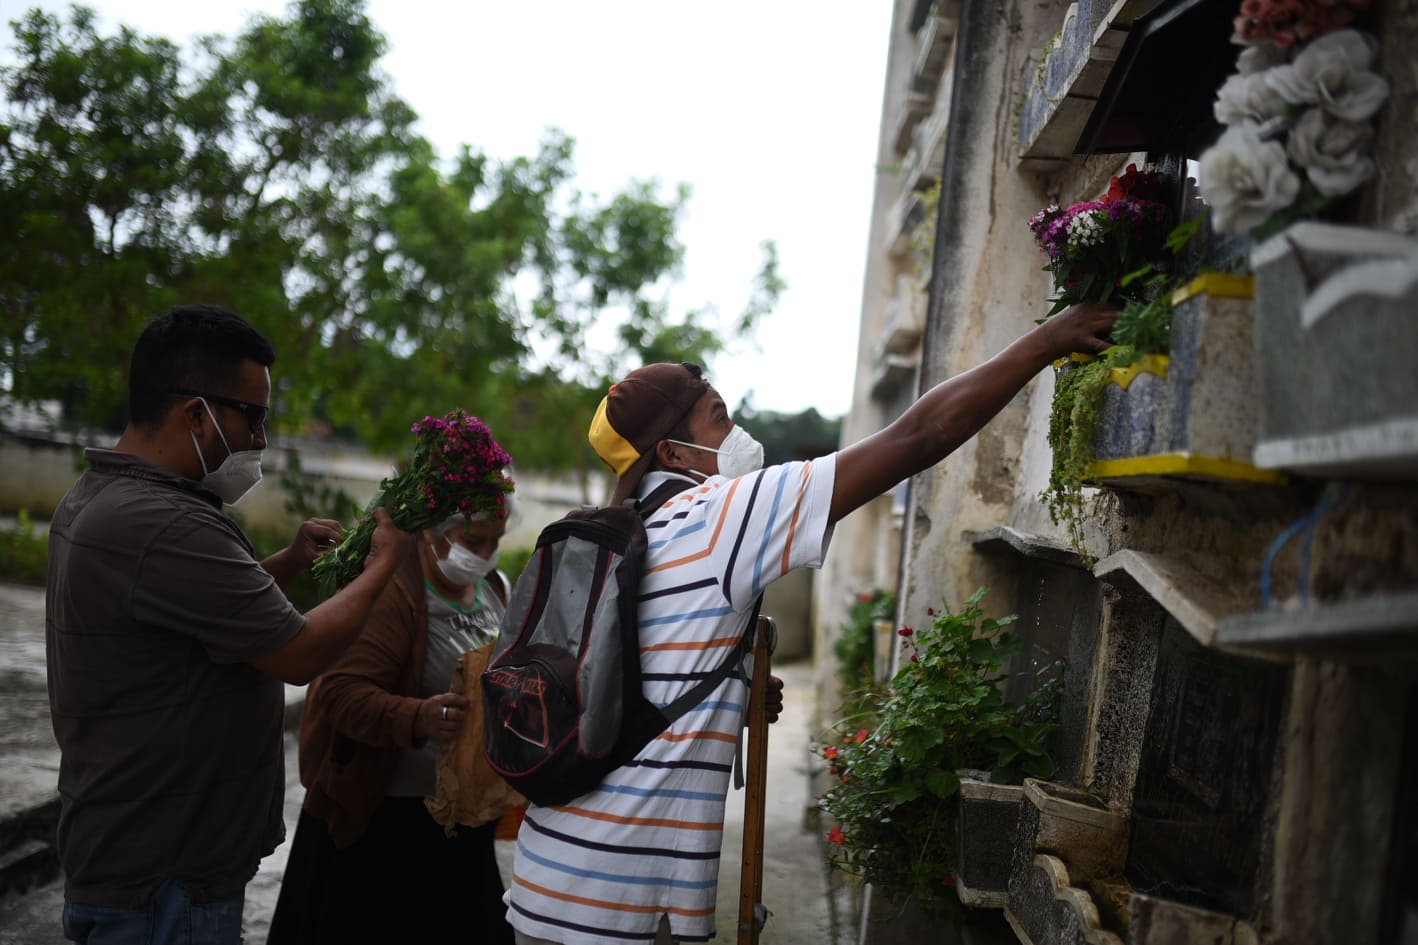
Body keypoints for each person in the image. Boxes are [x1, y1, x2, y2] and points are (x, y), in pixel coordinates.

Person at [502, 301, 1118, 945]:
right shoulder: (717, 515)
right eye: (721, 418)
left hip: (546, 877)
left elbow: (627, 682)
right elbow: (917, 438)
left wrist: (731, 693)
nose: (738, 433)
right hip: (618, 912)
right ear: (672, 451)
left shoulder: (615, 538)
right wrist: (1049, 339)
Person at [45, 304, 413, 945]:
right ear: (196, 413)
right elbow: (297, 653)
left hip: (130, 849)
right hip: (166, 876)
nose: (262, 440)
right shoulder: (167, 522)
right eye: (256, 417)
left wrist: (292, 561)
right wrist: (384, 566)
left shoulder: (103, 495)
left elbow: (200, 614)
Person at [266, 500, 519, 945]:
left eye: (495, 541)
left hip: (459, 824)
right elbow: (340, 695)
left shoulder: (494, 588)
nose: (485, 553)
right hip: (384, 831)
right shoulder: (389, 592)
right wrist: (418, 717)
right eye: (473, 540)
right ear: (429, 532)